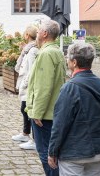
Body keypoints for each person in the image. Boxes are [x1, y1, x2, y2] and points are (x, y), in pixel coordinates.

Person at [48, 43, 100, 176]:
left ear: (74, 62)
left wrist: (52, 151)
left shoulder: (69, 88)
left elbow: (60, 124)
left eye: (68, 58)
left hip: (75, 153)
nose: (66, 60)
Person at [26, 19, 66, 176]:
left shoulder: (46, 53)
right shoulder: (56, 51)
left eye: (38, 32)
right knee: (51, 153)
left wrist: (37, 112)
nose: (36, 35)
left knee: (46, 154)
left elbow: (44, 87)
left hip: (45, 114)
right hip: (52, 110)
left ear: (44, 33)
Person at [12, 25, 39, 150]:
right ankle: (25, 133)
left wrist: (25, 83)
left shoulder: (33, 50)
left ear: (27, 35)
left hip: (28, 84)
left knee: (27, 110)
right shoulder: (28, 49)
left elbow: (32, 69)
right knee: (24, 109)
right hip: (25, 83)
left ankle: (33, 139)